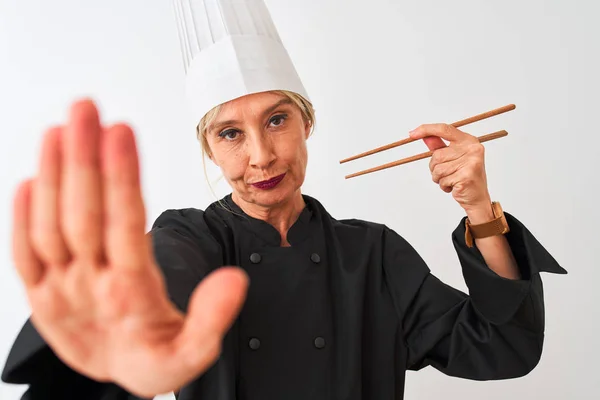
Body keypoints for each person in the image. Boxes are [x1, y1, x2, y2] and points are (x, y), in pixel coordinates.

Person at [1, 1, 566, 399]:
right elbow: (158, 279)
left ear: (307, 123)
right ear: (209, 149)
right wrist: (120, 328)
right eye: (230, 134)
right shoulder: (190, 239)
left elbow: (501, 348)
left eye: (277, 120)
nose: (262, 156)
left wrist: (479, 210)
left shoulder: (370, 254)